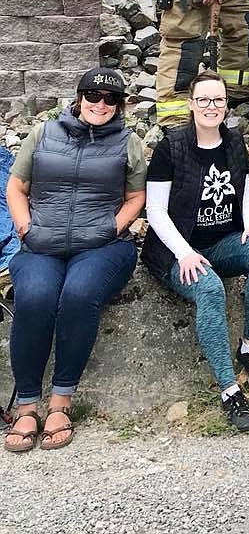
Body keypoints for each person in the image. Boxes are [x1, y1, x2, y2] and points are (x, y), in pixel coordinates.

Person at [4, 68, 145, 453]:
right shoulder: (44, 133)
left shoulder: (128, 143)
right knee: (34, 297)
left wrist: (112, 227)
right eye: (94, 96)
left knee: (80, 294)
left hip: (101, 246)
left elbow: (136, 196)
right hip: (42, 244)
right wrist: (24, 227)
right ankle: (27, 404)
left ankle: (62, 401)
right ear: (79, 97)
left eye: (111, 99)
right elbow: (16, 186)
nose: (101, 104)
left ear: (119, 105)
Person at [142, 72, 249, 432]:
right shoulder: (171, 147)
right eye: (203, 99)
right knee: (210, 288)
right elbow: (154, 211)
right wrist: (185, 253)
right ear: (191, 104)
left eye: (218, 100)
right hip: (178, 252)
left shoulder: (233, 141)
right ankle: (230, 391)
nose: (211, 106)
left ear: (226, 104)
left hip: (221, 243)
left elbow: (245, 185)